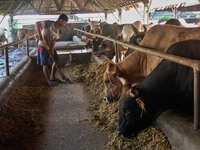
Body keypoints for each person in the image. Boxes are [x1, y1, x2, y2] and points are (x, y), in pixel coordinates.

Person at [36, 14, 68, 86]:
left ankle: (52, 77)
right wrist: (39, 35)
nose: (64, 25)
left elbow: (53, 42)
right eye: (64, 23)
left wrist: (52, 51)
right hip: (42, 45)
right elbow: (37, 24)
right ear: (61, 20)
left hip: (50, 46)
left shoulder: (58, 31)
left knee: (56, 60)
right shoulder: (49, 23)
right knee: (45, 64)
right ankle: (48, 81)